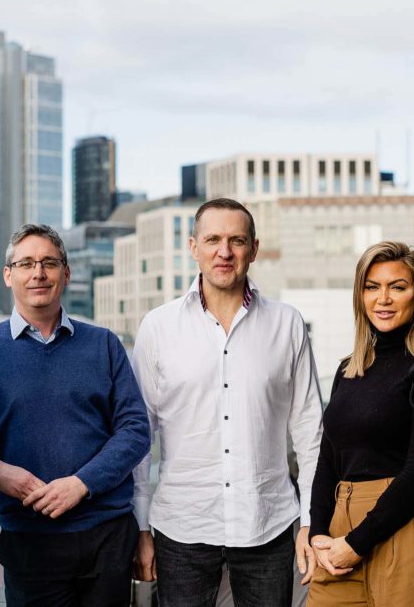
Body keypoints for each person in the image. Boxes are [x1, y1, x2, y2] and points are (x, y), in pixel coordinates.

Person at [131, 198, 324, 607]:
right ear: (193, 247)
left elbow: (310, 431)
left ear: (253, 249)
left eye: (237, 240)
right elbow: (139, 437)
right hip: (181, 527)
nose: (225, 251)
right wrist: (141, 527)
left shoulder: (287, 323)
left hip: (267, 526)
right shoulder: (158, 327)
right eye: (213, 239)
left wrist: (311, 519)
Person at [0, 223, 150, 607]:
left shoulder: (104, 344)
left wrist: (81, 483)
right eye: (25, 263)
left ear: (67, 273)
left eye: (49, 263)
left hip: (106, 535)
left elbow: (135, 430)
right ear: (8, 275)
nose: (38, 273)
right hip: (29, 540)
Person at [308, 241, 414, 606]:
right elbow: (328, 458)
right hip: (339, 527)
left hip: (403, 527)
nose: (382, 298)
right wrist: (318, 531)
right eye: (372, 286)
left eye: (397, 287)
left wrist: (358, 543)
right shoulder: (348, 369)